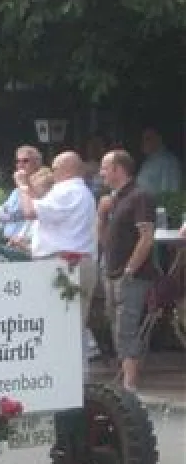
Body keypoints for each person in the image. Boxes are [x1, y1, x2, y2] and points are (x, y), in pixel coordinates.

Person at [14, 151, 98, 375]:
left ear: (65, 170)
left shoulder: (68, 191)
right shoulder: (79, 191)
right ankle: (75, 376)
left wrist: (22, 187)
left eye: (54, 168)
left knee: (63, 325)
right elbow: (42, 204)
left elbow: (30, 211)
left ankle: (70, 378)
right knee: (72, 325)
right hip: (73, 261)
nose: (51, 173)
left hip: (65, 264)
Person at [97, 149, 157, 393]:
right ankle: (125, 377)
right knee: (115, 324)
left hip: (130, 273)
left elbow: (146, 237)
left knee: (127, 325)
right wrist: (101, 215)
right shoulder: (113, 199)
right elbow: (103, 239)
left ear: (118, 169)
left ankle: (129, 383)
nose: (101, 172)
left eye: (104, 167)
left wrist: (131, 269)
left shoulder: (139, 196)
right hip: (111, 269)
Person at [0, 145, 42, 238]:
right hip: (9, 241)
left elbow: (30, 213)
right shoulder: (16, 190)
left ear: (37, 163)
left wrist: (10, 215)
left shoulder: (42, 186)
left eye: (25, 161)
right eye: (18, 161)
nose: (20, 165)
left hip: (27, 243)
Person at [136, 127, 181, 196]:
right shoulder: (149, 160)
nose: (143, 142)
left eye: (148, 139)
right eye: (142, 139)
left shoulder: (167, 161)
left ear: (158, 139)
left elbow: (167, 193)